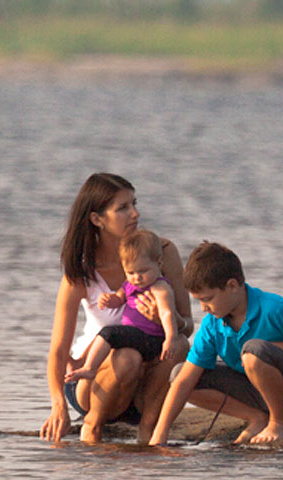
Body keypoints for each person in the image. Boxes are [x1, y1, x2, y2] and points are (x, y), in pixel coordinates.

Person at [42, 173, 192, 444]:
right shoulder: (82, 271)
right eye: (122, 208)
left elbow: (188, 325)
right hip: (96, 381)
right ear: (97, 219)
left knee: (181, 346)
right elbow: (58, 350)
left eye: (134, 203)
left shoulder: (163, 252)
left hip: (147, 383)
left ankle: (149, 431)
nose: (135, 213)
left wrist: (168, 320)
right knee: (127, 357)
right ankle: (93, 424)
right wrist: (57, 407)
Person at [149, 241, 283, 445]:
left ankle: (280, 422)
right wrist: (159, 437)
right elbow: (185, 381)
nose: (203, 308)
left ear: (232, 286)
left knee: (253, 350)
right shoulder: (212, 323)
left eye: (207, 299)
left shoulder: (275, 308)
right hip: (255, 388)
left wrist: (269, 350)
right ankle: (257, 418)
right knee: (179, 375)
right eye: (198, 301)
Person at [65, 230, 183, 385]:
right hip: (134, 337)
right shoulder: (130, 285)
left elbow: (166, 313)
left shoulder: (159, 287)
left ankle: (89, 368)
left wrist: (170, 338)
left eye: (143, 271)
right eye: (131, 272)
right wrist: (108, 299)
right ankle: (88, 366)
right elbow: (119, 299)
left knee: (108, 333)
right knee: (110, 337)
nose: (137, 277)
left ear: (159, 263)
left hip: (150, 338)